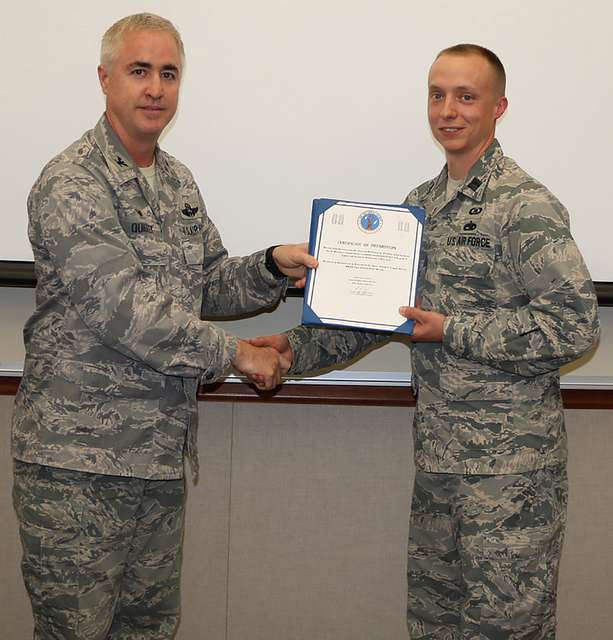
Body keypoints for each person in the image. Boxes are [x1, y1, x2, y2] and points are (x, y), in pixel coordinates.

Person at [250, 44, 600, 638]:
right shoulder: (419, 208)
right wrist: (288, 348)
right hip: (439, 463)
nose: (449, 110)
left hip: (510, 476)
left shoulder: (525, 206)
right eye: (437, 95)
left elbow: (574, 326)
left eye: (466, 96)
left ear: (499, 107)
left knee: (505, 628)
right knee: (433, 625)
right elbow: (374, 318)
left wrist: (453, 328)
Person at [11, 13, 316, 639]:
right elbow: (126, 308)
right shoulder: (73, 181)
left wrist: (270, 268)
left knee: (147, 630)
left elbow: (203, 283)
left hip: (156, 458)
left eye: (169, 74)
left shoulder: (176, 181)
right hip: (78, 463)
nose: (155, 88)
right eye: (140, 71)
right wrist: (236, 356)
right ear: (104, 79)